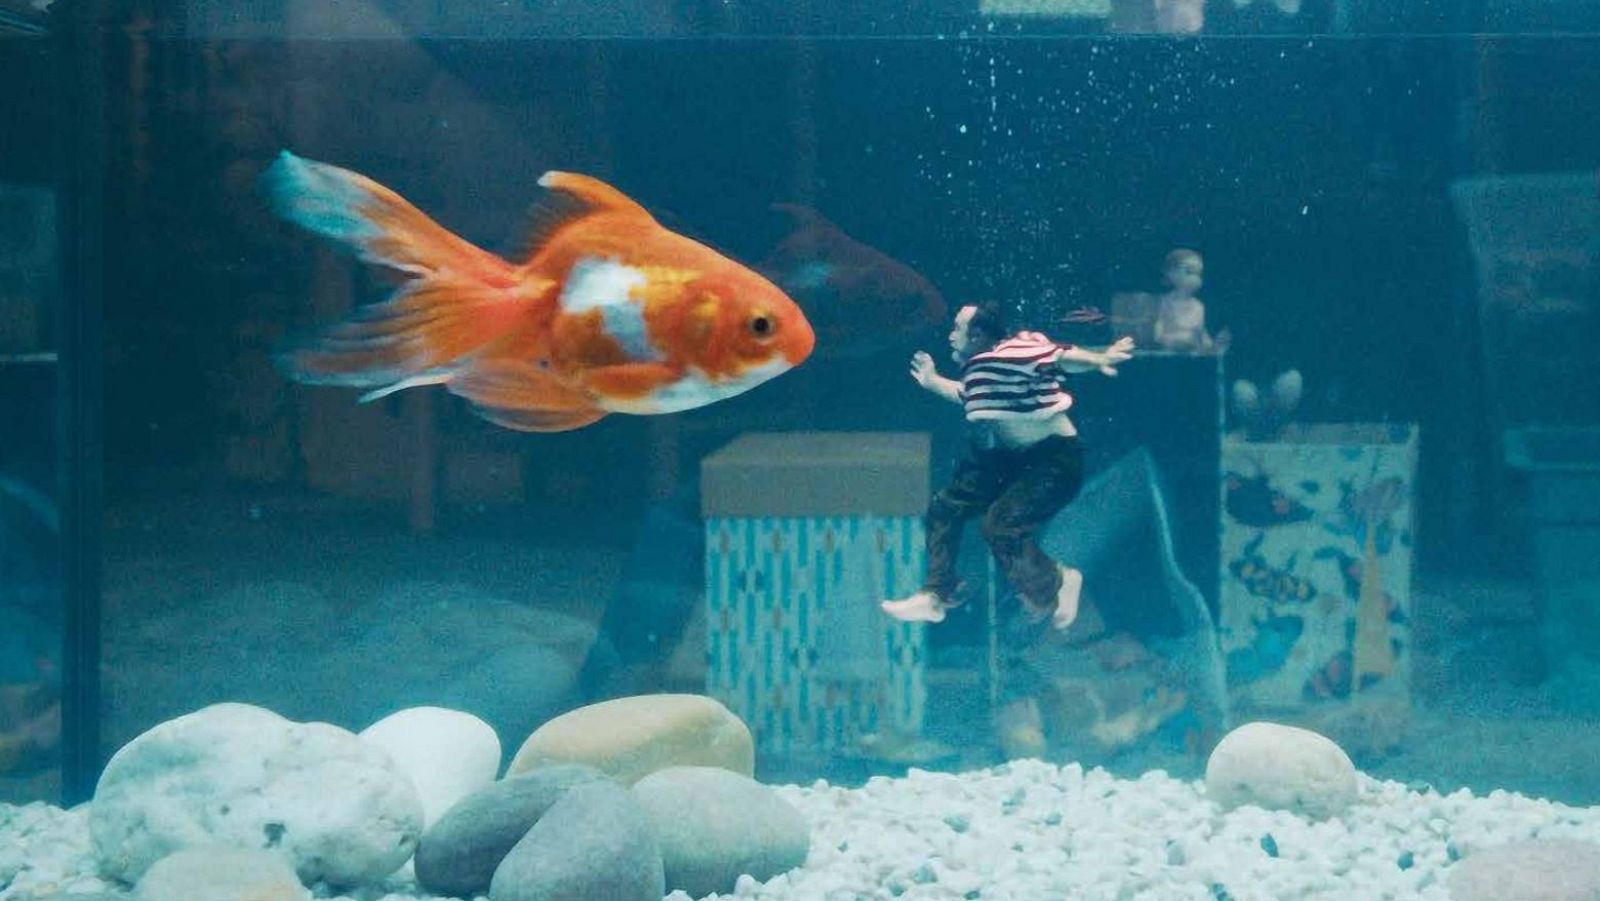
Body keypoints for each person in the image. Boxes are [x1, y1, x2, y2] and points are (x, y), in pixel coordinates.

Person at [881, 301, 1136, 632]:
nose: (950, 336)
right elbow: (967, 394)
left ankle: (1060, 580)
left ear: (978, 335)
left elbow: (1060, 356)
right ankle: (935, 594)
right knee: (946, 506)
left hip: (1054, 461)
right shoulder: (980, 367)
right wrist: (932, 382)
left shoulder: (1016, 349)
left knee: (998, 526)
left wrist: (1098, 359)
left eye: (957, 329)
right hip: (1012, 458)